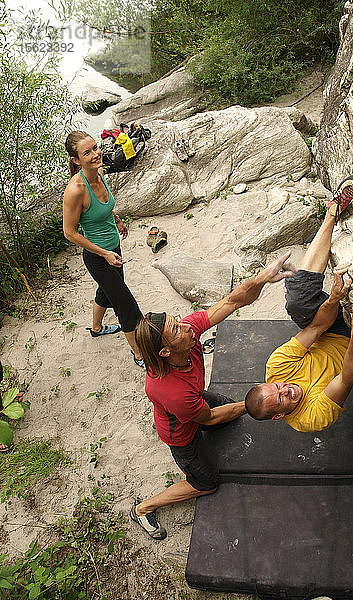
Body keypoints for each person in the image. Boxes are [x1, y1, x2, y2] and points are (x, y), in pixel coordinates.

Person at [130, 253, 295, 540]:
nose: (185, 325)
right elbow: (209, 415)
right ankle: (143, 508)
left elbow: (231, 302)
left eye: (177, 320)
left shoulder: (188, 332)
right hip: (182, 432)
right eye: (176, 329)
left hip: (196, 399)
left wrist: (261, 278)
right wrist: (254, 405)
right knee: (206, 482)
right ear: (166, 352)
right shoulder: (173, 391)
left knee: (225, 417)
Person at [245, 174, 353, 432]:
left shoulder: (277, 367)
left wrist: (335, 298)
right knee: (315, 312)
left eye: (278, 387)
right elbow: (346, 378)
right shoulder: (308, 419)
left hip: (329, 331)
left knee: (298, 302)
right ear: (278, 417)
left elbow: (316, 329)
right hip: (351, 351)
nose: (287, 389)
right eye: (282, 399)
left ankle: (332, 212)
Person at [63, 131, 144, 367]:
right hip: (99, 257)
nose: (95, 154)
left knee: (107, 291)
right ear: (76, 160)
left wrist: (117, 220)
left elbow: (103, 207)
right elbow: (70, 232)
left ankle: (97, 328)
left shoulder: (98, 173)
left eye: (95, 148)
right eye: (86, 152)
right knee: (126, 305)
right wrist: (104, 253)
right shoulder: (76, 189)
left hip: (113, 249)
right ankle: (139, 354)